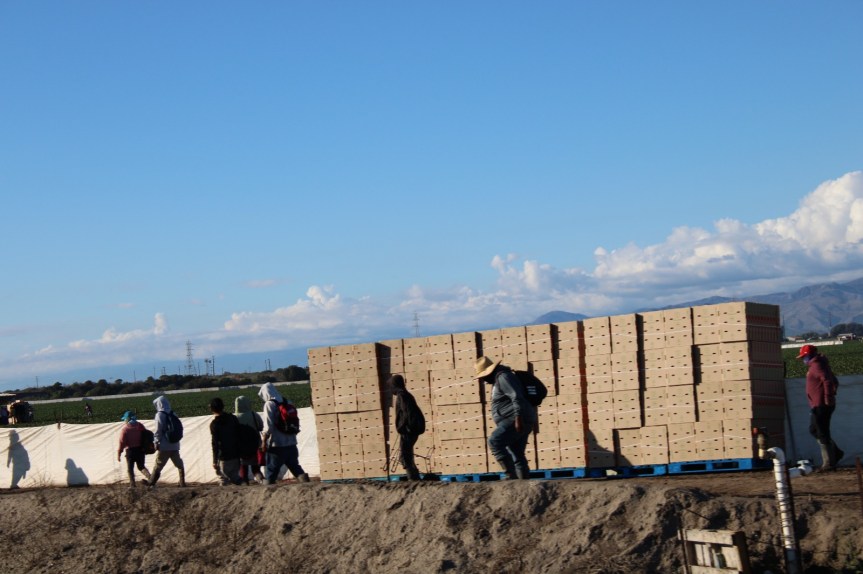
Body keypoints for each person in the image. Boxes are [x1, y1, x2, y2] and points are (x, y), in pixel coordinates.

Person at [474, 356, 537, 480]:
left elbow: (516, 397)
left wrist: (518, 419)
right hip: (518, 418)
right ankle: (523, 484)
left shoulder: (503, 377)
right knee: (517, 452)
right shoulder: (500, 378)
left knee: (494, 442)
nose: (482, 380)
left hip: (515, 419)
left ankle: (510, 475)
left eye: (483, 376)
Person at [798, 344, 844, 471]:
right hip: (818, 404)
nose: (803, 359)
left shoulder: (817, 365)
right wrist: (831, 394)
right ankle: (836, 453)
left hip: (821, 404)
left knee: (822, 432)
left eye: (804, 356)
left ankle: (828, 463)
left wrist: (828, 397)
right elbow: (834, 380)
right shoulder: (819, 364)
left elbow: (828, 381)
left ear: (809, 355)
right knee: (814, 430)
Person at [258, 382, 310, 484]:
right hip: (291, 443)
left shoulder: (269, 404)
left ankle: (267, 493)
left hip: (277, 445)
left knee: (271, 471)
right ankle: (308, 486)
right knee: (295, 467)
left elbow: (268, 427)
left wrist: (264, 441)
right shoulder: (287, 402)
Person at [389, 374, 424, 481]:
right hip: (411, 430)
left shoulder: (402, 396)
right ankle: (415, 477)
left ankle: (413, 479)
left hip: (408, 431)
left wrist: (403, 427)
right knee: (407, 454)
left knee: (405, 456)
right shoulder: (407, 395)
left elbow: (406, 414)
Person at [147, 395, 186, 487]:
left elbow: (158, 430)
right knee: (178, 463)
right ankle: (182, 482)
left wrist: (156, 442)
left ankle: (151, 482)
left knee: (159, 463)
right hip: (175, 444)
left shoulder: (159, 415)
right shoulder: (173, 413)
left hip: (164, 445)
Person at [209, 397, 242, 485]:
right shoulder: (233, 418)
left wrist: (214, 460)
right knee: (235, 476)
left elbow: (215, 444)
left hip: (223, 456)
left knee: (223, 479)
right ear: (223, 407)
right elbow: (239, 434)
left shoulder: (214, 424)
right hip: (235, 454)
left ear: (212, 409)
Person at [234, 395, 265, 484]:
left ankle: (245, 483)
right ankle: (261, 480)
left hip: (241, 447)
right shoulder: (254, 414)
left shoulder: (235, 417)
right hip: (255, 444)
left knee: (243, 466)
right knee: (255, 467)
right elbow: (261, 427)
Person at [117, 411, 151, 487]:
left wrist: (119, 453)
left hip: (130, 451)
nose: (124, 421)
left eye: (124, 419)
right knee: (141, 466)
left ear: (127, 419)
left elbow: (122, 442)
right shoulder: (140, 426)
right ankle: (151, 479)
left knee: (130, 469)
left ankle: (132, 485)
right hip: (140, 450)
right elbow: (146, 436)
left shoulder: (125, 429)